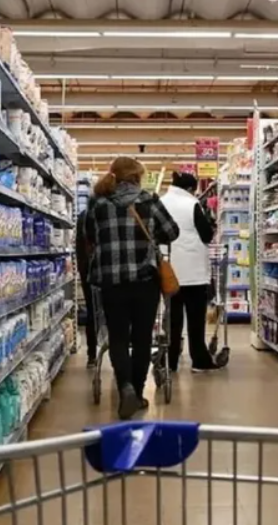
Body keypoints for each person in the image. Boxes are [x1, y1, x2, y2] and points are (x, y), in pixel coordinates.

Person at [86, 157, 179, 419]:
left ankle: (124, 386)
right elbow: (172, 232)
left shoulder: (97, 203)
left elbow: (90, 236)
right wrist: (151, 235)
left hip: (111, 284)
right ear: (137, 177)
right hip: (144, 283)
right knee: (142, 339)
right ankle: (137, 393)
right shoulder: (149, 200)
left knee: (117, 338)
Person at [161, 172, 222, 372]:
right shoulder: (191, 204)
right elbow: (206, 235)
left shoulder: (162, 202)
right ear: (190, 189)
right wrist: (212, 227)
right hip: (193, 272)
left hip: (169, 269)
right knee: (195, 319)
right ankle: (199, 360)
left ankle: (170, 361)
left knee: (172, 319)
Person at [75, 207, 98, 368]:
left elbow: (79, 246)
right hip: (108, 272)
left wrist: (82, 271)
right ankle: (118, 354)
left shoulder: (84, 214)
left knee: (92, 312)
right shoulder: (112, 209)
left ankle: (92, 355)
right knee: (115, 314)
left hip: (88, 271)